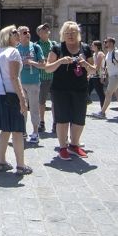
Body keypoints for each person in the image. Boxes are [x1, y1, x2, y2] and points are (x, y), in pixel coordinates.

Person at [45, 21, 94, 160]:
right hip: (60, 89)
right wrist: (60, 61)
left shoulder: (85, 48)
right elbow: (48, 68)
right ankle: (62, 147)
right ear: (63, 35)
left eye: (73, 33)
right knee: (62, 119)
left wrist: (85, 64)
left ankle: (74, 145)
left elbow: (94, 69)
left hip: (80, 89)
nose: (70, 35)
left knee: (79, 118)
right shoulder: (57, 48)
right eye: (67, 33)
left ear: (78, 34)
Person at [0, 25, 32, 174]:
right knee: (17, 131)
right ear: (8, 36)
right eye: (14, 32)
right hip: (11, 94)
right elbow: (14, 77)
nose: (18, 34)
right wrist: (22, 99)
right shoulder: (13, 52)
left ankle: (0, 162)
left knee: (5, 129)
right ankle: (21, 165)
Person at [17, 25, 45, 143]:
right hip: (20, 82)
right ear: (19, 35)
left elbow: (43, 64)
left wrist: (31, 62)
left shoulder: (36, 47)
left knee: (34, 107)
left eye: (28, 32)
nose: (27, 34)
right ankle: (22, 131)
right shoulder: (16, 48)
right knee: (22, 107)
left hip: (33, 82)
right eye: (24, 32)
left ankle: (35, 132)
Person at [92, 37, 118, 120]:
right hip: (112, 77)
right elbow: (107, 67)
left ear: (111, 43)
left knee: (108, 93)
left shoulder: (117, 52)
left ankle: (102, 112)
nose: (104, 43)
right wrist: (103, 76)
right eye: (104, 42)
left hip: (117, 76)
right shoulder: (108, 53)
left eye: (106, 42)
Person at [35, 24, 56, 132]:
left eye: (47, 29)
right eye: (44, 30)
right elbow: (36, 61)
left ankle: (55, 122)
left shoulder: (54, 45)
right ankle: (41, 122)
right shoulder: (35, 46)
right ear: (39, 33)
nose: (47, 31)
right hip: (41, 77)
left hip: (54, 76)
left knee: (55, 101)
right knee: (41, 101)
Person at [86, 40, 105, 108]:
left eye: (93, 45)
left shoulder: (100, 54)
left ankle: (103, 110)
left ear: (96, 46)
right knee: (87, 91)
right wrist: (90, 75)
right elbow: (94, 66)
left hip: (99, 76)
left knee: (100, 93)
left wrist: (86, 63)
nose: (91, 46)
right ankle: (85, 104)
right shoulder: (94, 54)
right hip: (94, 75)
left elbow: (97, 67)